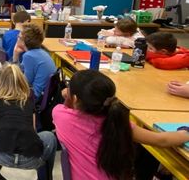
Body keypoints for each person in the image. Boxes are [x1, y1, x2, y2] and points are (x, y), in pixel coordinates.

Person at [53, 69, 189, 180]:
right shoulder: (118, 123)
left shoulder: (60, 115)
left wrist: (68, 97)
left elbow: (65, 104)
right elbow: (162, 140)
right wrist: (184, 133)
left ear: (75, 99)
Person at [0, 64, 56, 180]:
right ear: (22, 81)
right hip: (31, 159)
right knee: (50, 136)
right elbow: (33, 131)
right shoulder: (29, 100)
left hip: (1, 155)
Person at [13, 24, 56, 101]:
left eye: (18, 37)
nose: (17, 38)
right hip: (44, 96)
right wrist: (16, 54)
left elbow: (24, 83)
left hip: (34, 96)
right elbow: (22, 71)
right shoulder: (42, 52)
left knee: (0, 89)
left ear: (23, 42)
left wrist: (15, 57)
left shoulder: (29, 56)